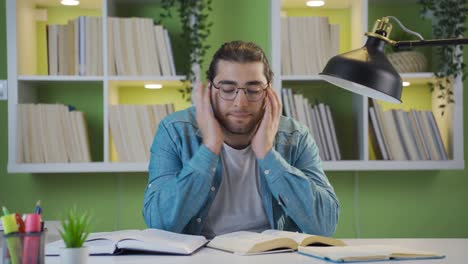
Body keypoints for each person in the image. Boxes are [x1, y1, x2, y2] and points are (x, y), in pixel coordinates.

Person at [143, 40, 339, 239]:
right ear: (210, 90)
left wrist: (267, 154)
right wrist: (209, 149)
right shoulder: (174, 131)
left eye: (253, 90)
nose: (241, 103)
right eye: (228, 89)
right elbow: (159, 223)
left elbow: (325, 225)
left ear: (268, 92)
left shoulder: (295, 137)